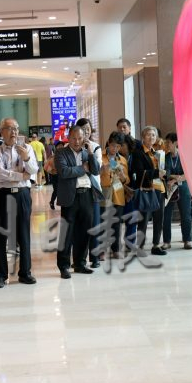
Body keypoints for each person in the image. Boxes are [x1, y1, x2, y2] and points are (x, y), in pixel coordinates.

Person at [0, 117, 38, 287]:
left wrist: (26, 158)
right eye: (9, 129)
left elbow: (33, 171)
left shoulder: (28, 148)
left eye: (16, 129)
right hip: (2, 195)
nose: (14, 132)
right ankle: (0, 276)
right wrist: (20, 176)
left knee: (24, 235)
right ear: (2, 131)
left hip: (23, 194)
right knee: (0, 236)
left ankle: (25, 273)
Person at [53, 125, 101, 277]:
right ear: (68, 137)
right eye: (74, 138)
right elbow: (65, 172)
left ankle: (80, 263)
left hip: (86, 195)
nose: (77, 141)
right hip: (70, 197)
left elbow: (95, 170)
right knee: (67, 233)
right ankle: (64, 266)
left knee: (84, 231)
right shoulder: (61, 152)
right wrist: (83, 168)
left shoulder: (87, 153)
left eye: (80, 138)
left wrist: (91, 154)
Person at [129, 126, 168, 255]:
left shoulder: (157, 153)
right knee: (144, 219)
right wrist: (157, 172)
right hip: (147, 189)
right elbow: (139, 173)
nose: (151, 137)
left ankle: (156, 245)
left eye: (153, 135)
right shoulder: (138, 153)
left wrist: (164, 173)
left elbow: (163, 169)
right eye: (148, 135)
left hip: (159, 189)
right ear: (143, 137)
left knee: (159, 218)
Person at [75, 118, 104, 267]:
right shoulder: (72, 146)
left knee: (94, 224)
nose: (86, 131)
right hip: (76, 190)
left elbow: (95, 168)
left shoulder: (95, 147)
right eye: (82, 128)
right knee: (78, 225)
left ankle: (95, 257)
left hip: (93, 190)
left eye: (88, 128)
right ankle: (79, 258)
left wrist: (90, 153)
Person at [100, 131, 131, 258]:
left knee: (116, 223)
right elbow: (96, 174)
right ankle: (102, 250)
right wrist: (105, 168)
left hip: (118, 193)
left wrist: (123, 176)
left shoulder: (122, 160)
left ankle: (116, 249)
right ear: (108, 143)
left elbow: (126, 180)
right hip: (104, 192)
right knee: (103, 222)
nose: (115, 149)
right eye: (113, 145)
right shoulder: (100, 157)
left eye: (118, 146)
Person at [161, 132, 192, 250]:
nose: (166, 145)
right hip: (169, 189)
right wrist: (177, 177)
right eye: (166, 142)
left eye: (168, 142)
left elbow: (189, 173)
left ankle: (187, 240)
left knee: (186, 215)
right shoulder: (165, 157)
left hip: (183, 188)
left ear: (175, 143)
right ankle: (166, 241)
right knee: (166, 215)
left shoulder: (185, 156)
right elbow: (165, 173)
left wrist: (175, 178)